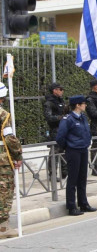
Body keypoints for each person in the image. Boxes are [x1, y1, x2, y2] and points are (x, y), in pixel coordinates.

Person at [56, 95, 97, 216]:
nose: (85, 105)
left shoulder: (83, 117)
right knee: (72, 179)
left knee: (82, 178)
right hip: (73, 150)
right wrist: (68, 146)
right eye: (83, 103)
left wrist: (86, 142)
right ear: (78, 105)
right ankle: (71, 206)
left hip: (83, 149)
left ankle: (83, 203)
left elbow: (87, 133)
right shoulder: (68, 119)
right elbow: (60, 137)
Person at [0, 83, 23, 239]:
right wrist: (18, 155)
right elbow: (9, 138)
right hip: (2, 160)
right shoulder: (3, 114)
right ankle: (3, 228)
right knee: (4, 191)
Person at [43, 82, 69, 180]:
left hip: (64, 129)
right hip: (55, 129)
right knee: (55, 152)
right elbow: (49, 117)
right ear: (55, 90)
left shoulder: (61, 101)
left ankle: (64, 172)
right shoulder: (49, 103)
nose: (62, 91)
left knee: (64, 151)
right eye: (60, 89)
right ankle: (52, 175)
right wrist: (61, 117)